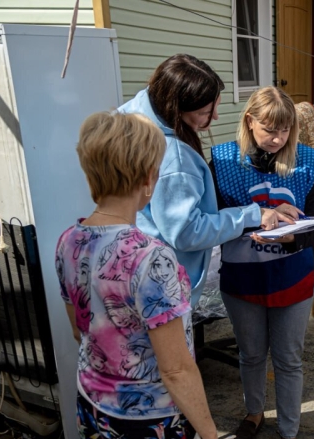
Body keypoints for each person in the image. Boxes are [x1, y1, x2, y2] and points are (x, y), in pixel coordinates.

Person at [56, 111, 221, 439]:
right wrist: (208, 432)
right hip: (149, 419)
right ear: (148, 178)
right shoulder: (151, 258)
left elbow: (80, 328)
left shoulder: (68, 240)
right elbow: (177, 367)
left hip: (94, 403)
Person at [210, 86, 314, 439]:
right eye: (269, 129)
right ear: (249, 122)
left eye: (285, 131)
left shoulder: (307, 163)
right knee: (250, 355)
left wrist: (294, 236)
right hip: (242, 279)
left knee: (289, 359)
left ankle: (290, 435)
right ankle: (253, 414)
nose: (277, 139)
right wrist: (259, 214)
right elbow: (210, 218)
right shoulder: (223, 160)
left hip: (291, 279)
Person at [118, 54, 292, 308]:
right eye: (205, 112)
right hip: (161, 284)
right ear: (176, 107)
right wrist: (251, 215)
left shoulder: (130, 116)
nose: (215, 118)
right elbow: (186, 231)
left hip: (129, 262)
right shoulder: (174, 157)